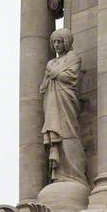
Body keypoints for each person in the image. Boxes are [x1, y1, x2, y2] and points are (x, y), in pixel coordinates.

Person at [40, 28, 88, 186]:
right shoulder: (51, 62)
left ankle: (74, 174)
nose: (56, 45)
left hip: (67, 99)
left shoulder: (73, 58)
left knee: (68, 132)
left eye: (59, 42)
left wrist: (54, 73)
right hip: (52, 99)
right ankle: (60, 173)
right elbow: (43, 86)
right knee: (56, 133)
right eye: (54, 42)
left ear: (66, 42)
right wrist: (55, 73)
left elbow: (70, 76)